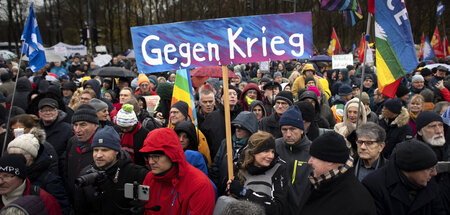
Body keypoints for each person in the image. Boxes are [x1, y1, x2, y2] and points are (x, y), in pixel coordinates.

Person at [74, 126, 149, 214]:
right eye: (96, 150)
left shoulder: (135, 173)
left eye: (104, 150)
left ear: (116, 151)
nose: (98, 155)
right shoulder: (86, 175)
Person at [139, 128, 215, 214]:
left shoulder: (200, 186)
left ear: (172, 154)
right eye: (148, 156)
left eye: (156, 156)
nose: (151, 162)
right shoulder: (150, 178)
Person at [300, 132, 376, 215]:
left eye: (314, 157)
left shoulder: (356, 201)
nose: (309, 161)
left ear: (330, 161)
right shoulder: (317, 182)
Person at [362, 140, 445, 215]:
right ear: (411, 168)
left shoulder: (430, 184)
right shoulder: (374, 185)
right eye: (430, 169)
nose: (434, 173)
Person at [7, 130, 70, 214]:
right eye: (11, 156)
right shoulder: (6, 176)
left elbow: (61, 208)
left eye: (20, 156)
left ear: (31, 157)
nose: (14, 160)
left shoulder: (50, 180)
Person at [227, 131, 288, 214]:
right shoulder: (241, 169)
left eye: (273, 151)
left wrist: (244, 193)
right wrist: (231, 191)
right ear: (253, 152)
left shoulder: (278, 170)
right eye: (266, 151)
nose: (271, 156)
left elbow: (277, 208)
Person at [275, 105, 312, 214]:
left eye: (292, 129)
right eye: (284, 129)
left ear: (301, 130)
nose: (288, 134)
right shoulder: (274, 147)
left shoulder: (313, 151)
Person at [211, 111, 258, 195]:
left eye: (242, 127)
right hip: (222, 190)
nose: (238, 130)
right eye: (236, 126)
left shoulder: (253, 147)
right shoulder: (226, 143)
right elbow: (215, 166)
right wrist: (218, 185)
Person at [63, 104, 99, 197]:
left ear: (95, 125)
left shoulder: (102, 147)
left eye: (83, 125)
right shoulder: (72, 142)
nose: (78, 130)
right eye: (75, 125)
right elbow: (66, 168)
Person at [201, 85, 242, 159]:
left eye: (234, 94)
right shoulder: (212, 117)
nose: (232, 96)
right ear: (222, 98)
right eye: (229, 94)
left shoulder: (242, 115)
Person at [169, 101, 211, 166]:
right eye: (171, 112)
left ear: (184, 114)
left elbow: (205, 155)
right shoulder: (169, 130)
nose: (172, 115)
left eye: (175, 112)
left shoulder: (196, 133)